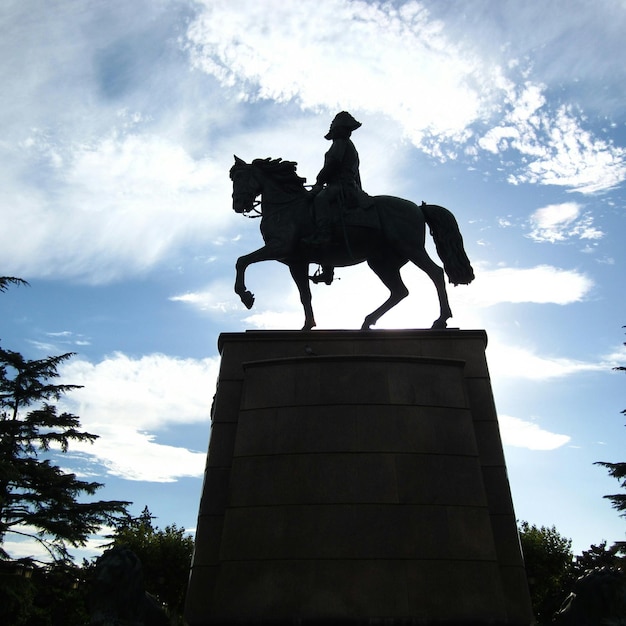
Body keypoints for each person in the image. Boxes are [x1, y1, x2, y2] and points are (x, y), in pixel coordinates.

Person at [308, 111, 364, 285]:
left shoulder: (341, 143)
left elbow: (333, 164)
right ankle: (327, 268)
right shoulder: (348, 145)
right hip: (345, 186)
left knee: (320, 200)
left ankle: (323, 236)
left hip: (341, 186)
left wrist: (319, 181)